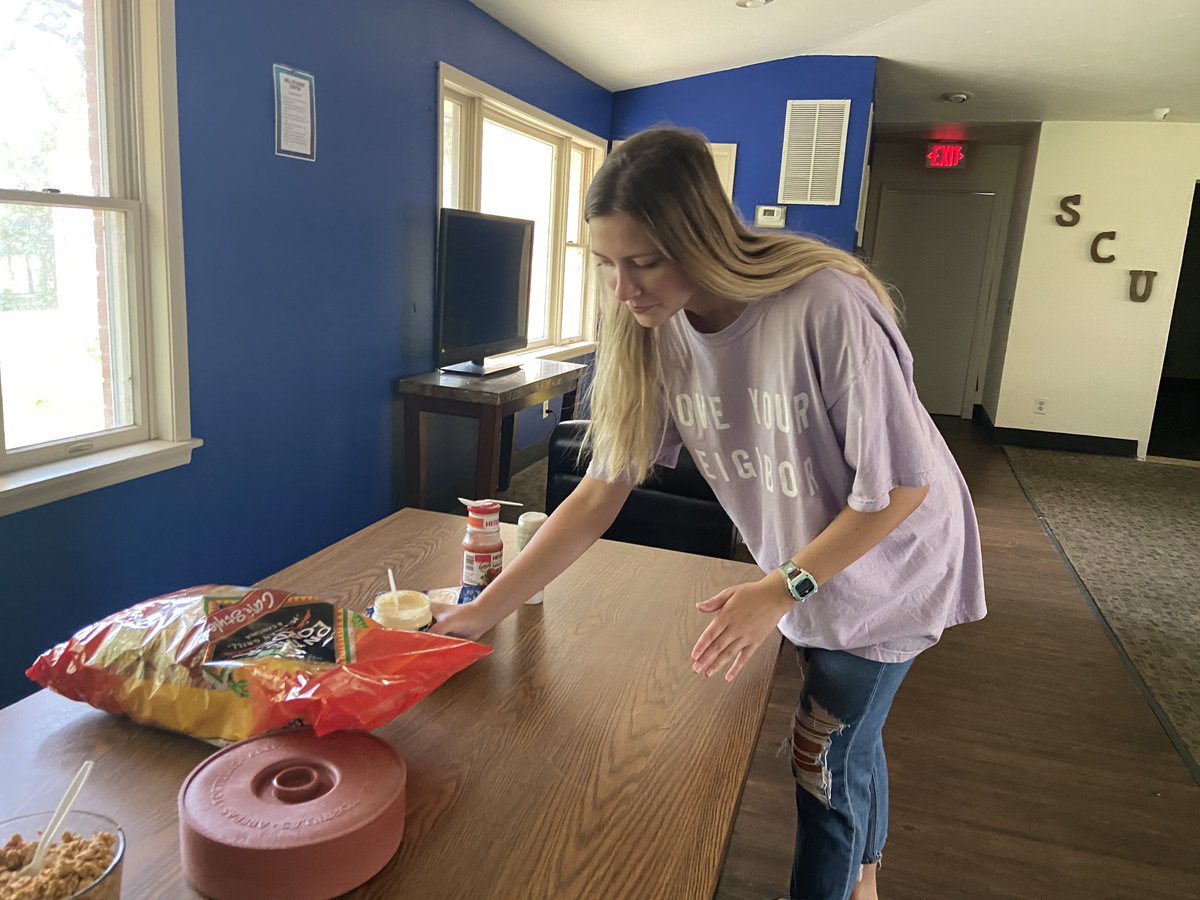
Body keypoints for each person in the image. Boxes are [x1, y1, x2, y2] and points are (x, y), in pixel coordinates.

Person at [431, 126, 986, 900]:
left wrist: (778, 589)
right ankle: (866, 876)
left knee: (819, 753)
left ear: (701, 238)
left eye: (644, 261)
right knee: (851, 735)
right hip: (812, 568)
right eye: (606, 264)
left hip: (891, 561)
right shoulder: (655, 330)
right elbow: (596, 496)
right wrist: (481, 612)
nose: (623, 289)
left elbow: (899, 491)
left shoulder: (822, 306)